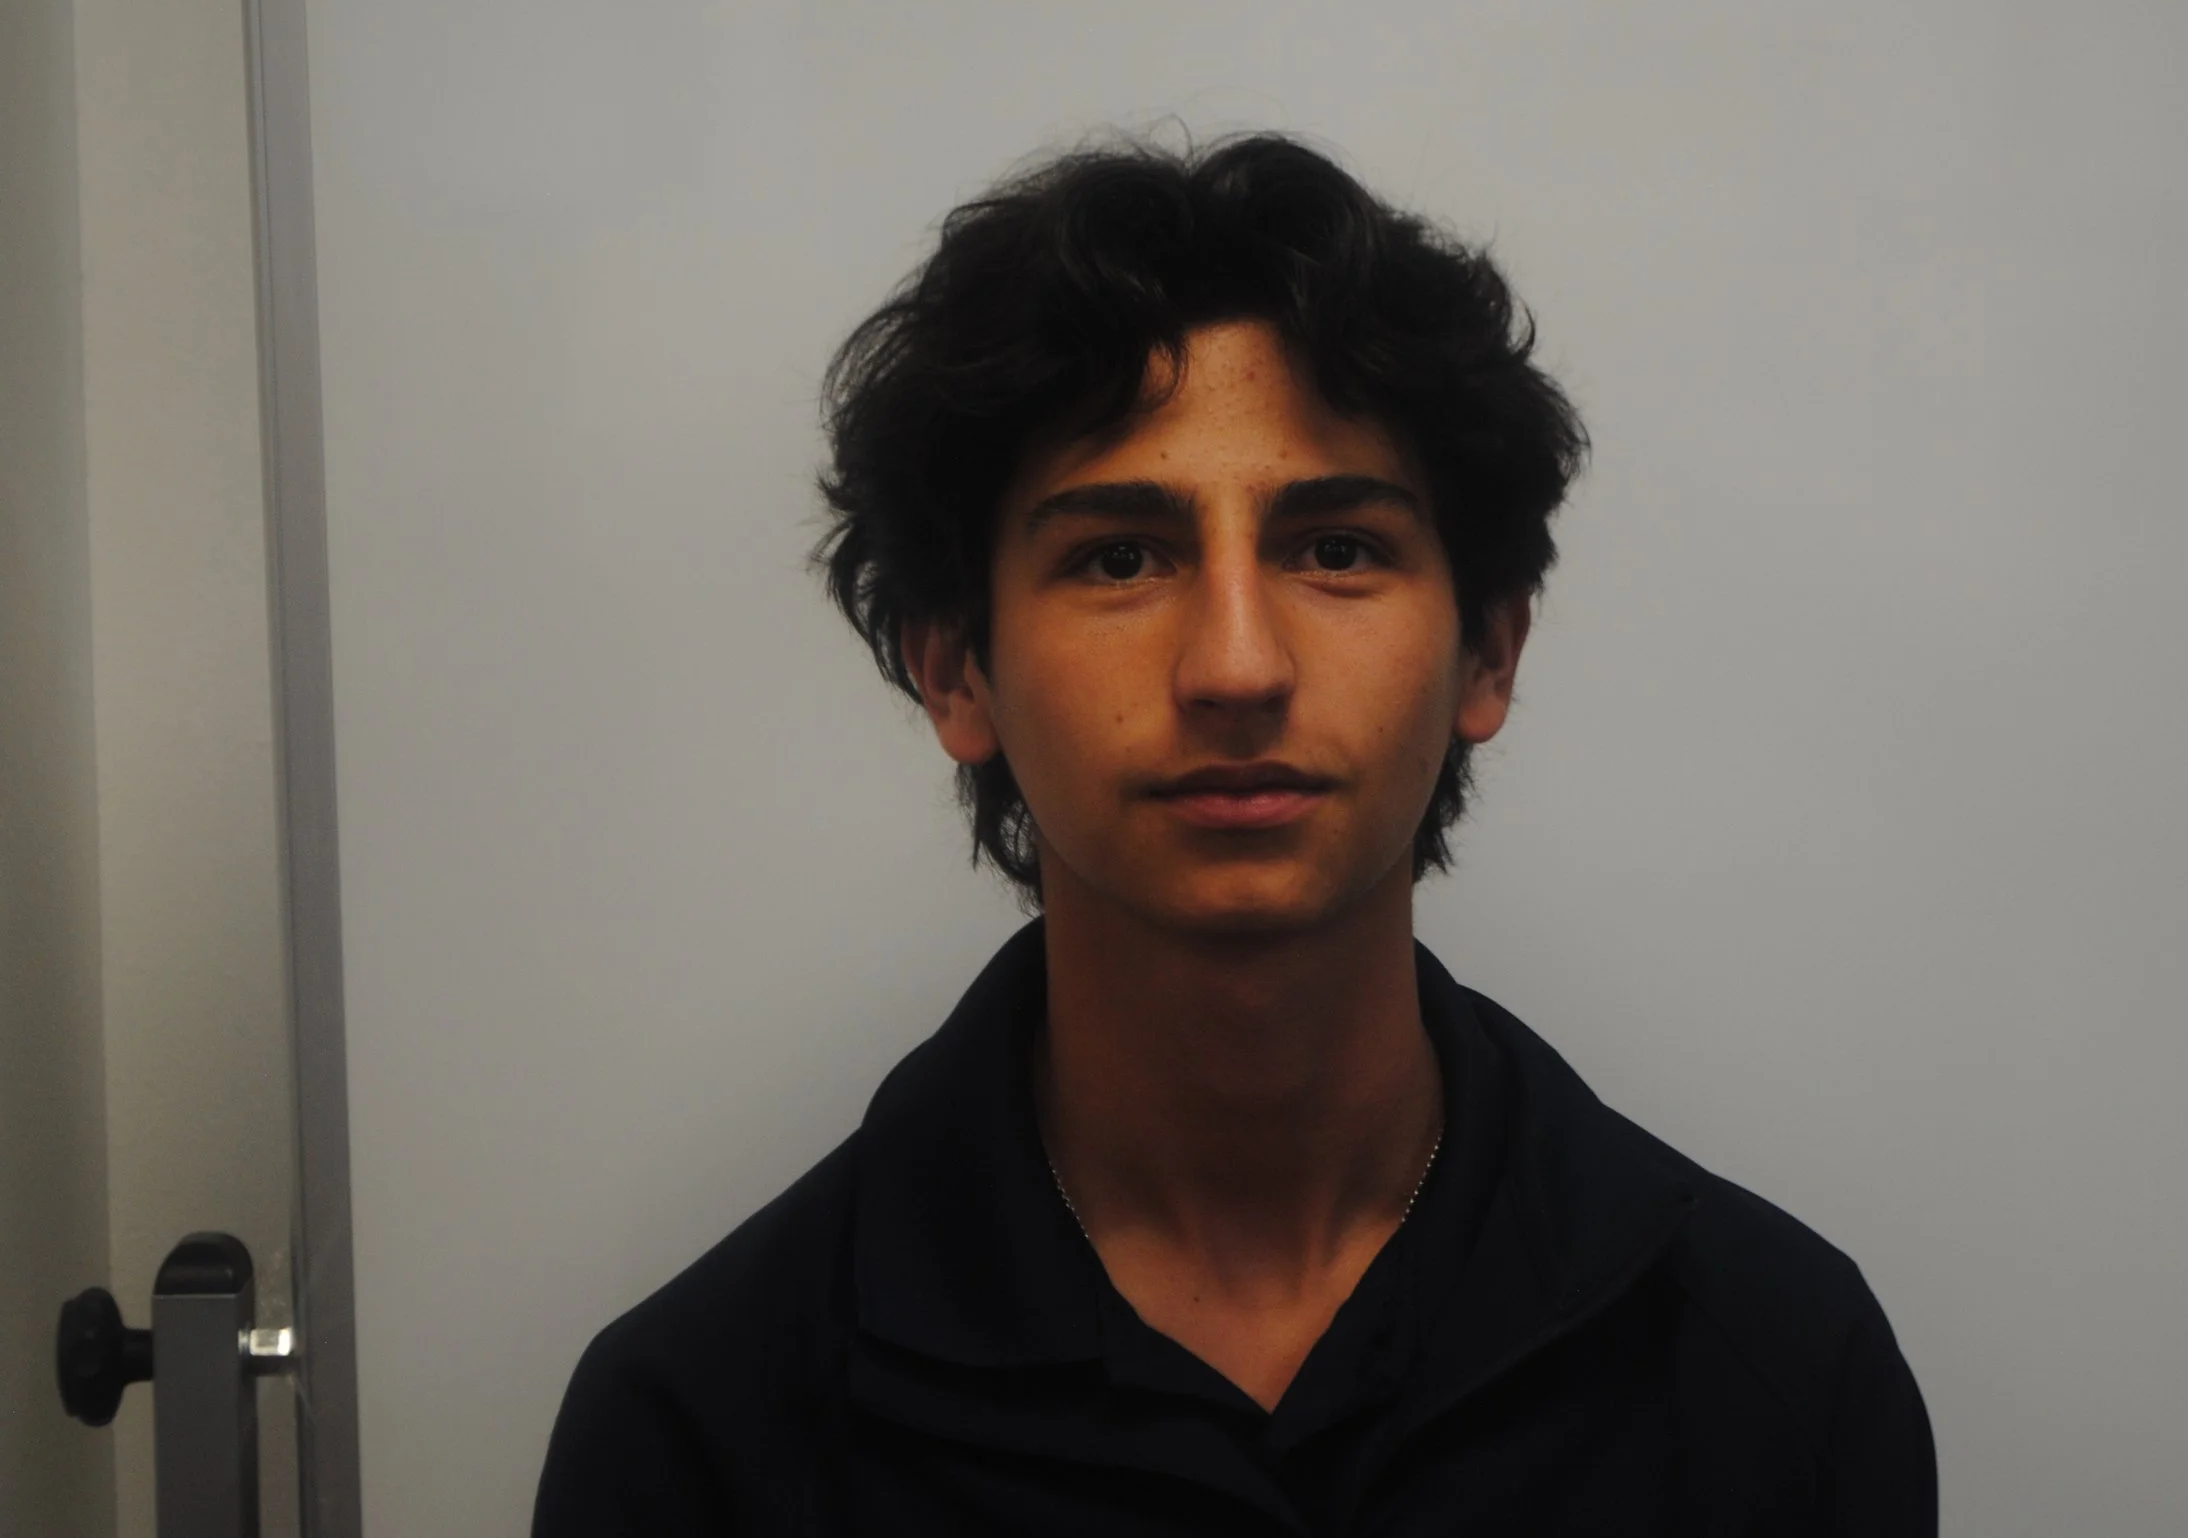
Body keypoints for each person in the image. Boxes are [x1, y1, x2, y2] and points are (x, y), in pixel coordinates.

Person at [532, 133, 1937, 1536]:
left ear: (1488, 653)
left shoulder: (1777, 1369)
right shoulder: (700, 1431)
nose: (1237, 665)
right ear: (957, 666)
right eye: (1120, 556)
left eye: (1336, 548)